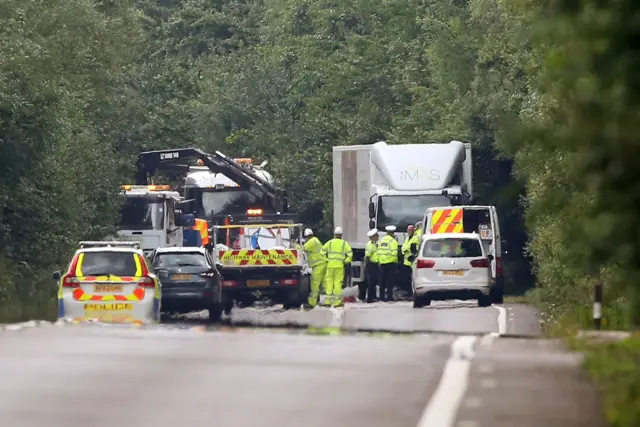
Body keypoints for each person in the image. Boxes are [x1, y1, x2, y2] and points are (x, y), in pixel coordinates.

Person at [321, 227, 353, 307]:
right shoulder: (344, 244)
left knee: (329, 282)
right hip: (339, 266)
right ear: (341, 235)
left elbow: (322, 252)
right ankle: (337, 301)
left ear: (334, 235)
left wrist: (326, 260)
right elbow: (350, 254)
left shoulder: (330, 242)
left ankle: (328, 300)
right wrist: (345, 261)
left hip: (330, 266)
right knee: (338, 283)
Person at [303, 228, 326, 308]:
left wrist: (294, 245)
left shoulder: (311, 242)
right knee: (323, 285)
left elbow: (303, 248)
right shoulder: (316, 240)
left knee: (315, 285)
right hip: (322, 264)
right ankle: (326, 300)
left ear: (307, 236)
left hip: (318, 265)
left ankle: (312, 303)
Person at [377, 225, 398, 302]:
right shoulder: (393, 241)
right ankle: (389, 297)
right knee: (390, 280)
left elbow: (378, 251)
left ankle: (381, 296)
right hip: (390, 263)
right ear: (393, 233)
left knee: (382, 280)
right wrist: (395, 261)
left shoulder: (381, 240)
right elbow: (394, 253)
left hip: (382, 262)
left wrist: (379, 260)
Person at [400, 225, 420, 298]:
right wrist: (405, 249)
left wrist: (406, 248)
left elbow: (414, 247)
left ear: (413, 231)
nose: (409, 232)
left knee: (412, 279)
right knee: (407, 279)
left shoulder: (415, 238)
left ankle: (412, 293)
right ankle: (408, 292)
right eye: (408, 230)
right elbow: (403, 247)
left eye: (411, 230)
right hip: (406, 262)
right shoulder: (407, 238)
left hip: (412, 262)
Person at [363, 229, 379, 303]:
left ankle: (373, 297)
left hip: (374, 264)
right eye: (376, 236)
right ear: (373, 237)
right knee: (371, 282)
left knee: (373, 281)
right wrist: (368, 266)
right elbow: (367, 257)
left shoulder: (374, 244)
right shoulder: (370, 245)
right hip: (371, 265)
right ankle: (370, 298)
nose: (378, 236)